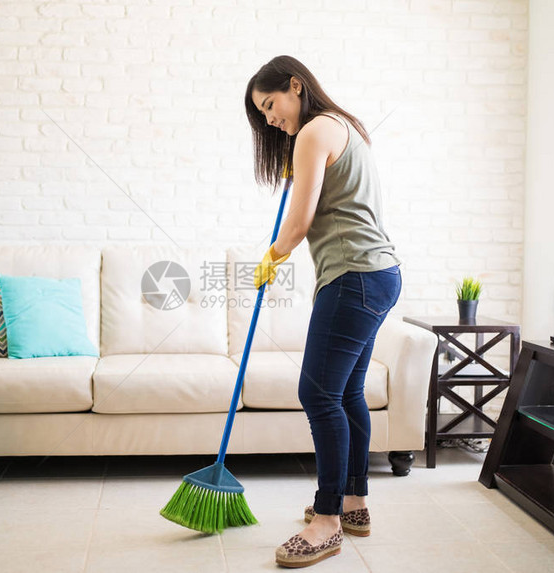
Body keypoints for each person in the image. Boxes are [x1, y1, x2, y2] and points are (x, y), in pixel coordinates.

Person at [246, 56, 402, 568]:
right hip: (380, 275)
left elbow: (300, 219)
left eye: (270, 105)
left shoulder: (314, 131)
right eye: (261, 115)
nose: (270, 119)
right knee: (347, 392)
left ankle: (327, 521)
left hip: (353, 277)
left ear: (296, 85)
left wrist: (274, 253)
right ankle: (354, 503)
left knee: (316, 392)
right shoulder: (343, 127)